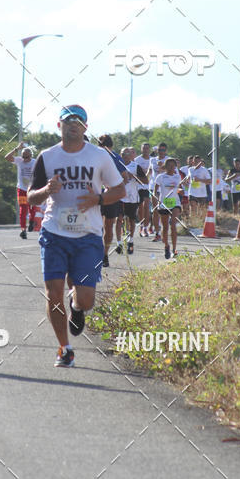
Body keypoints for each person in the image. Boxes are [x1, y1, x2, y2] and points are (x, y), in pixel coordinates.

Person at [27, 105, 125, 367]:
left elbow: (120, 190)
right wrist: (47, 189)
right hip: (54, 233)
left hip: (88, 236)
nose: (73, 124)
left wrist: (99, 198)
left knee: (86, 299)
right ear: (59, 126)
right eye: (68, 120)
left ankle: (77, 308)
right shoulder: (47, 157)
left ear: (85, 127)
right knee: (53, 292)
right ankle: (64, 348)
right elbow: (30, 196)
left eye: (79, 121)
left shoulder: (99, 156)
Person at [97, 134, 126, 266]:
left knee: (106, 226)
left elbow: (124, 178)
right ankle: (100, 253)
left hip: (109, 197)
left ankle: (104, 255)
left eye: (105, 147)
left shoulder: (116, 158)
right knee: (100, 226)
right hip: (96, 195)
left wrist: (112, 188)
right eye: (102, 147)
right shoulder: (94, 156)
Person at [5, 142, 37, 239]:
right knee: (23, 210)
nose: (25, 159)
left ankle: (31, 221)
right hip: (22, 189)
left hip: (32, 189)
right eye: (23, 157)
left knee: (32, 208)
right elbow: (7, 157)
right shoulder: (19, 161)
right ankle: (23, 230)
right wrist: (16, 149)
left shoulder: (35, 162)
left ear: (31, 156)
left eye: (27, 157)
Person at [153, 157, 183, 259]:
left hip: (175, 203)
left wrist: (180, 190)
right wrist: (156, 201)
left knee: (173, 224)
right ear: (165, 167)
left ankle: (175, 249)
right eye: (169, 165)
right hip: (164, 203)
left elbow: (179, 188)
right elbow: (155, 191)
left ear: (175, 167)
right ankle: (166, 246)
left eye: (173, 165)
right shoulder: (160, 177)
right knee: (165, 228)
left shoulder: (177, 177)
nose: (171, 167)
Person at [121, 148, 147, 254]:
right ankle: (122, 239)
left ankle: (130, 240)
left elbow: (145, 181)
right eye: (123, 154)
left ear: (131, 155)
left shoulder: (135, 166)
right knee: (120, 218)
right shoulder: (116, 165)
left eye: (127, 153)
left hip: (132, 197)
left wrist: (134, 176)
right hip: (120, 196)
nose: (125, 155)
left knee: (131, 219)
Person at [134, 143, 152, 237]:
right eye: (143, 148)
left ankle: (146, 227)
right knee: (141, 207)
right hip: (139, 186)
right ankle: (141, 226)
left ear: (149, 149)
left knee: (146, 206)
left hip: (149, 186)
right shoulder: (137, 160)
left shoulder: (152, 160)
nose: (145, 150)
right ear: (141, 149)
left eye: (147, 148)